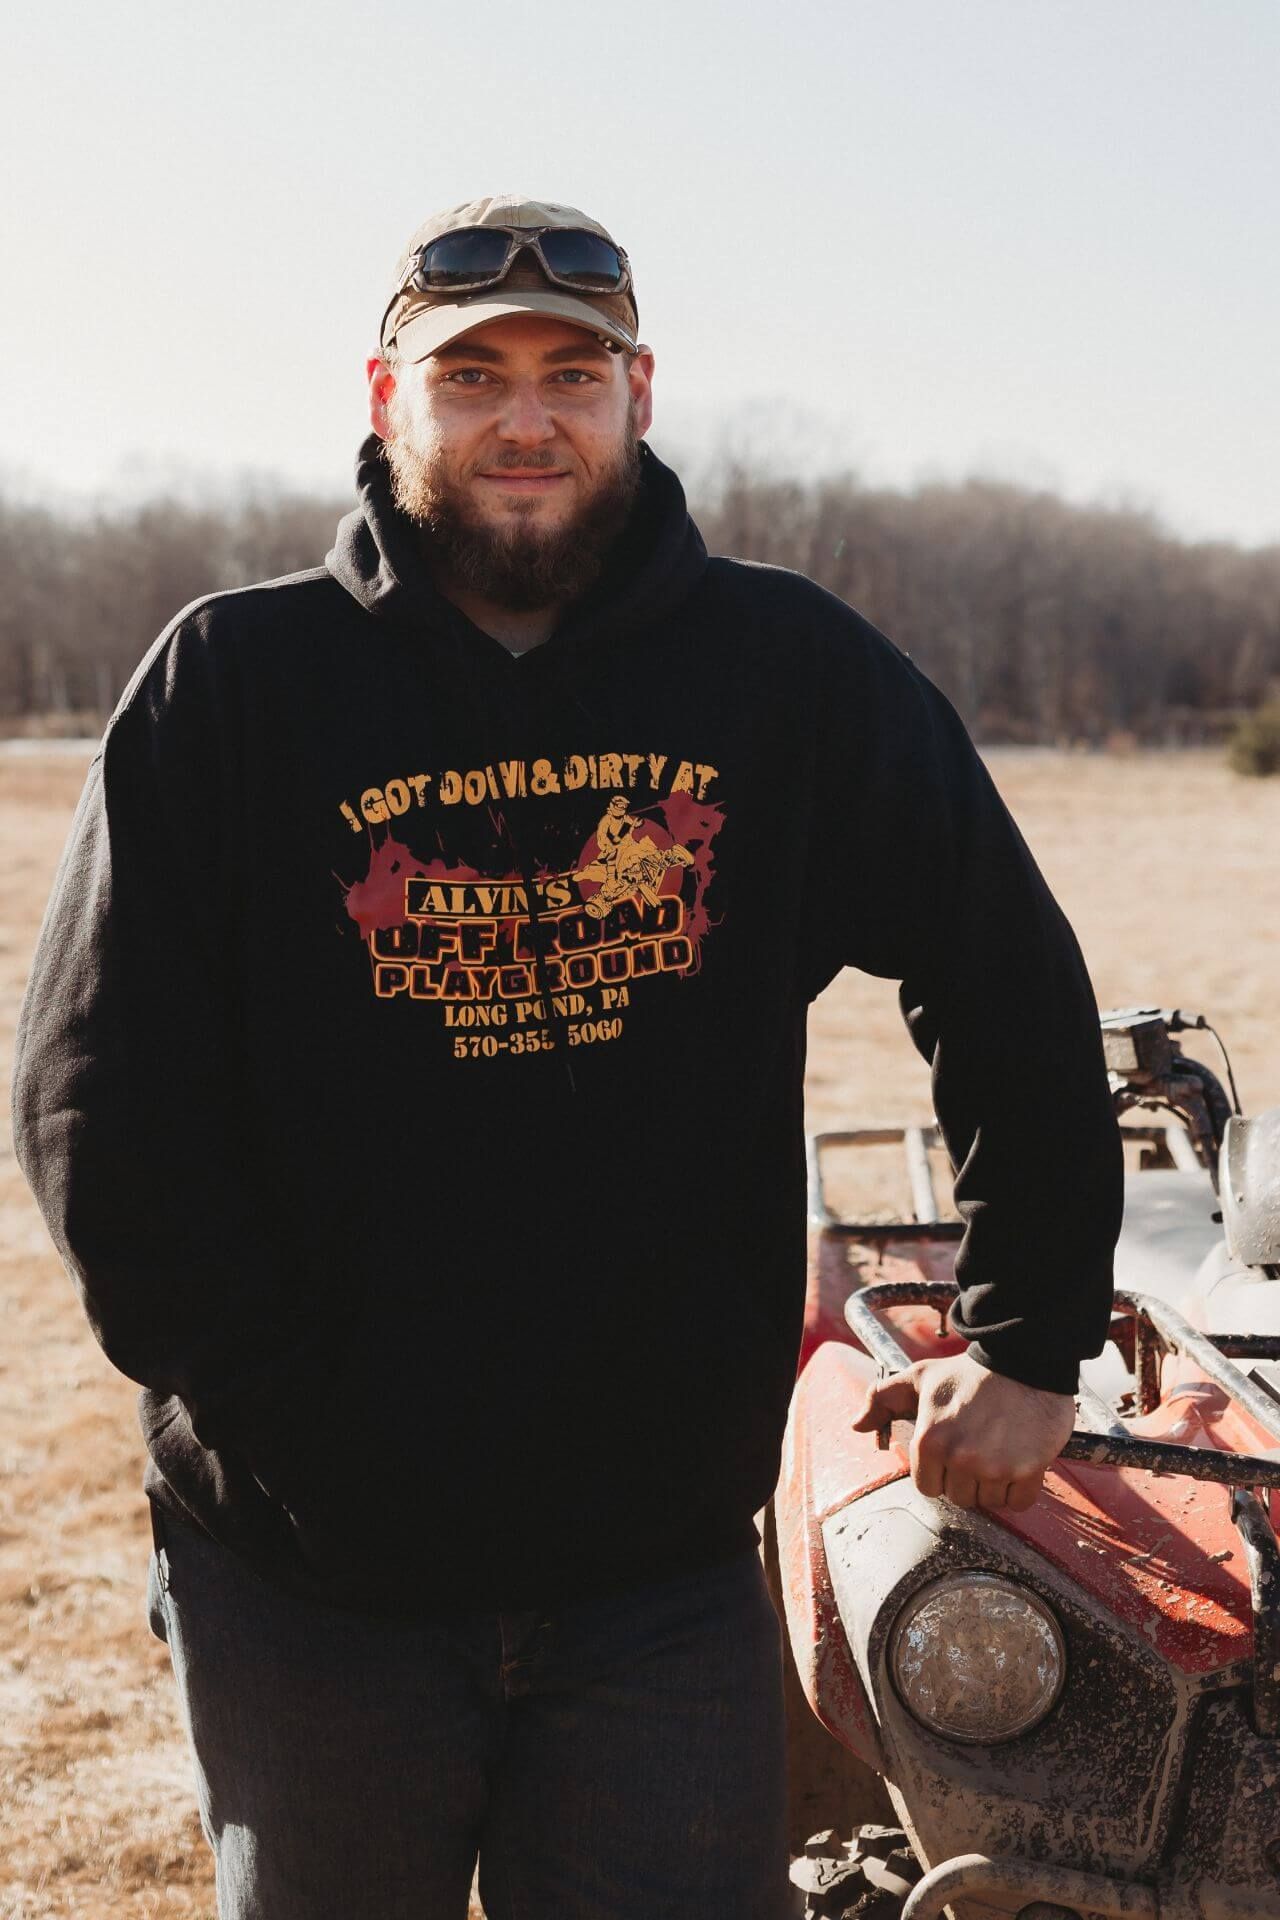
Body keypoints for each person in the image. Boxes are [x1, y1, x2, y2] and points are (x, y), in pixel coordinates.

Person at [11, 196, 1123, 1919]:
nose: (525, 417)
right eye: (474, 375)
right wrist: (274, 1413)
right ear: (389, 397)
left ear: (640, 393)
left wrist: (1033, 1334)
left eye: (570, 372)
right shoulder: (234, 684)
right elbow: (95, 1094)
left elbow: (1007, 976)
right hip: (309, 1570)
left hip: (655, 1570)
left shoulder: (787, 675)